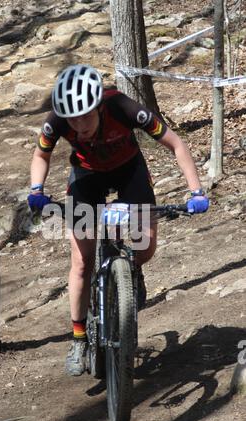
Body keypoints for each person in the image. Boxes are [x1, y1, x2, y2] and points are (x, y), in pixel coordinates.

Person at [27, 64, 209, 376]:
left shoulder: (123, 107)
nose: (79, 124)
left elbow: (175, 143)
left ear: (99, 105)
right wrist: (36, 190)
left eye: (86, 115)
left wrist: (196, 191)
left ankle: (132, 273)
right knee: (82, 261)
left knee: (146, 246)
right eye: (73, 117)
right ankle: (79, 338)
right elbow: (41, 155)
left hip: (129, 171)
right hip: (87, 177)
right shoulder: (58, 120)